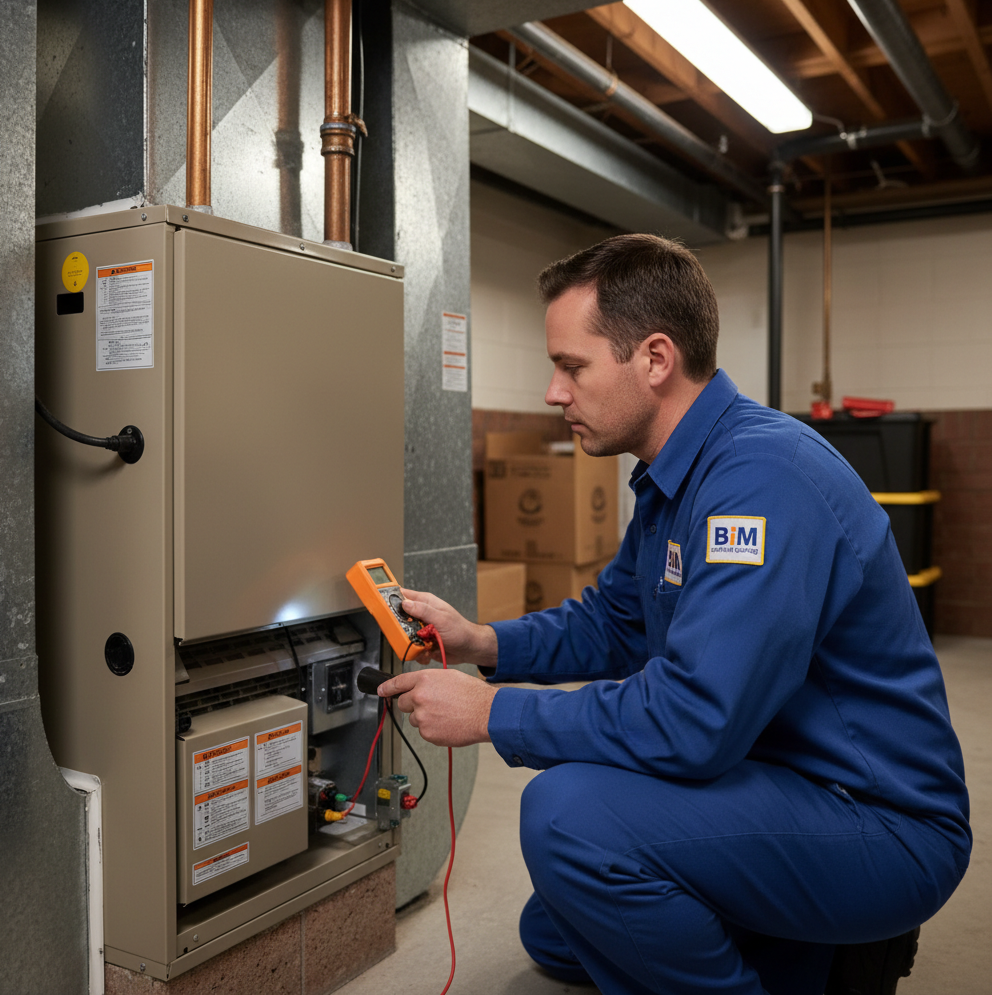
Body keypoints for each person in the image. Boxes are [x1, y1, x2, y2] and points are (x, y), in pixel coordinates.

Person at [377, 234, 970, 995]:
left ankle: (835, 949)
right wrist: (481, 641)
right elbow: (615, 623)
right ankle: (813, 956)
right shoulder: (675, 478)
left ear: (654, 359)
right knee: (554, 928)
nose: (555, 393)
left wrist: (495, 713)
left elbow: (695, 719)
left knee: (568, 822)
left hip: (877, 823)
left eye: (571, 366)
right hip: (778, 779)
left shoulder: (762, 479)